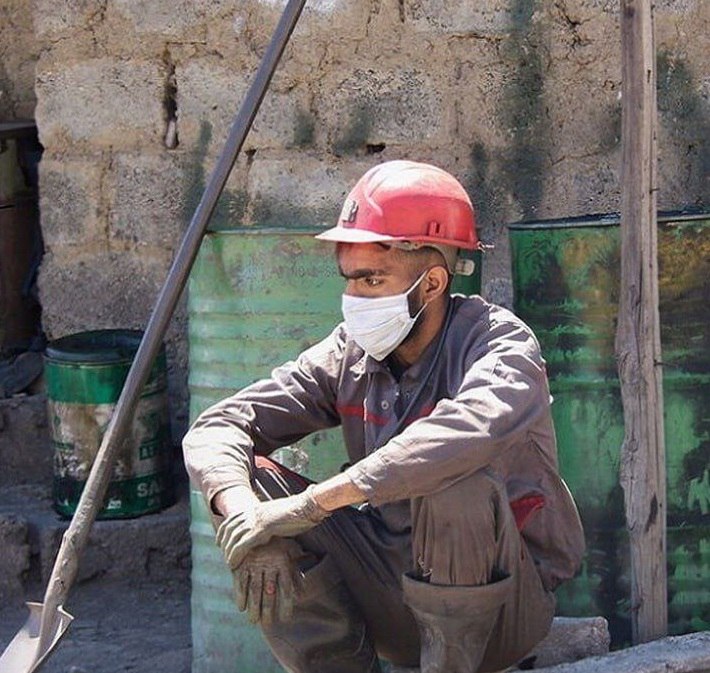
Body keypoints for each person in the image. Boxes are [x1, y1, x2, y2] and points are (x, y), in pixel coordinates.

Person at [182, 160, 585, 673]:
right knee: (251, 486)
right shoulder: (348, 354)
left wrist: (313, 504)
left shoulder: (499, 343)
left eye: (372, 280)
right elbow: (218, 427)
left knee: (454, 482)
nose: (354, 300)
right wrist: (250, 520)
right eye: (349, 281)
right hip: (391, 595)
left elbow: (464, 433)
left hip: (501, 612)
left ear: (432, 284)